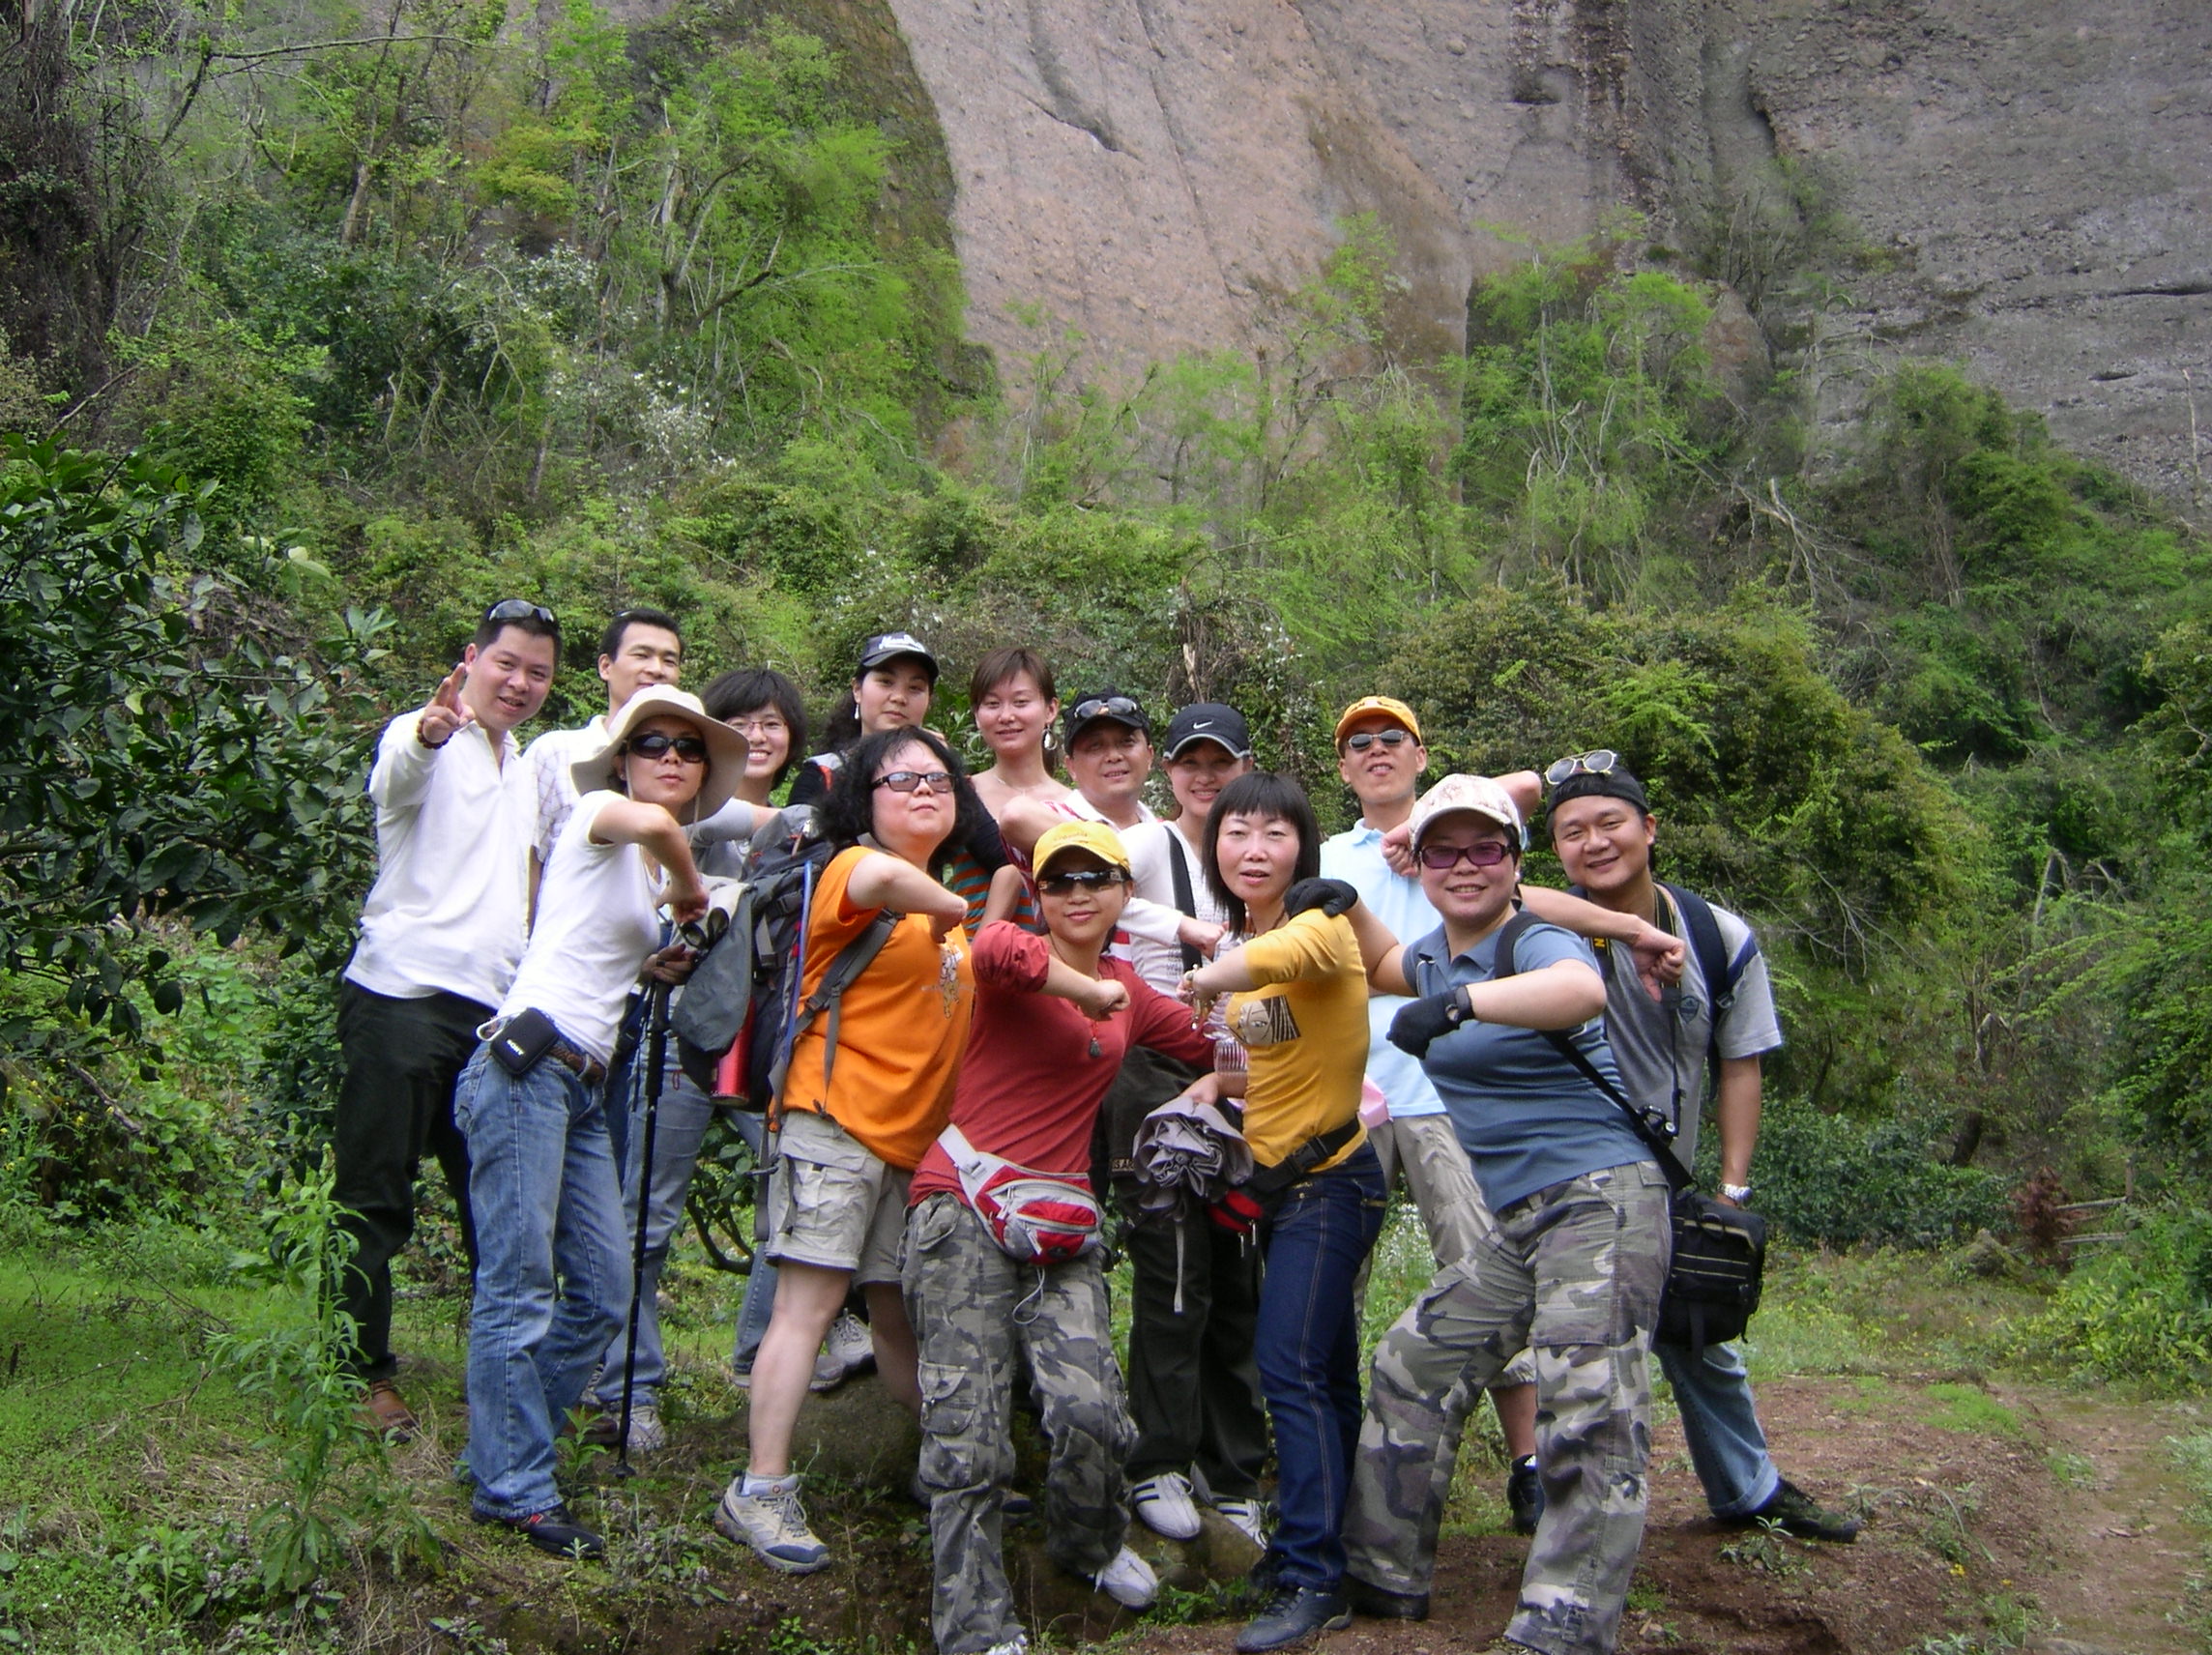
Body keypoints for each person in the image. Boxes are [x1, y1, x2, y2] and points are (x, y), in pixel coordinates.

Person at [1335, 774, 1671, 1655]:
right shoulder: (1436, 952)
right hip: (1521, 1218)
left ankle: (1565, 1621)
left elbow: (1578, 991)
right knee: (1413, 1361)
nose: (1465, 865)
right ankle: (1383, 1575)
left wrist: (1464, 1003)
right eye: (1443, 850)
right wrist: (1341, 905)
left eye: (1486, 847)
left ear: (1515, 863)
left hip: (1602, 1201)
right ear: (1424, 865)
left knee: (1587, 1405)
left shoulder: (1534, 937)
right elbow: (1380, 967)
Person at [905, 821, 1221, 1652]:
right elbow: (996, 954)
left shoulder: (1134, 988)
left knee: (1091, 1413)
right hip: (961, 1204)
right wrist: (1087, 995)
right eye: (1061, 881)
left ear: (1125, 892)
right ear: (1042, 894)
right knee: (968, 1435)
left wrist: (1227, 1062)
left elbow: (1209, 1047)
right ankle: (974, 1626)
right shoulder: (1014, 952)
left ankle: (1086, 1544)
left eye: (1096, 879)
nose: (1078, 893)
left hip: (1063, 1220)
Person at [1539, 754, 1858, 1544]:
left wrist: (1732, 1188)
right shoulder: (1545, 934)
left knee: (1696, 1332)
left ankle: (1747, 1489)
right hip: (1569, 1171)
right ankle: (1563, 1500)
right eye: (1572, 832)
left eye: (1611, 823)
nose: (1595, 843)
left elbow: (1738, 1062)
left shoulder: (1717, 937)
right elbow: (1506, 892)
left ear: (1650, 829)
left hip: (1668, 1173)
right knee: (1566, 1341)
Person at [456, 684, 741, 1557]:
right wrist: (693, 894)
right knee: (519, 1286)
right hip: (526, 1070)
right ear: (620, 758)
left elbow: (603, 943)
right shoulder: (602, 815)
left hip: (583, 1085)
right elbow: (659, 831)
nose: (670, 758)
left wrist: (654, 954)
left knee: (606, 1293)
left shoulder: (639, 867)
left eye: (687, 751)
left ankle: (507, 1451)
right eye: (651, 742)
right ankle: (514, 1488)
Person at [715, 725, 980, 1575]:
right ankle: (758, 1488)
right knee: (809, 1305)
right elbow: (878, 875)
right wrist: (953, 901)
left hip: (910, 1149)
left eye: (939, 779)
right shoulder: (848, 874)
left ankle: (949, 1471)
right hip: (833, 1122)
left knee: (900, 1316)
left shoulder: (945, 907)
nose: (924, 791)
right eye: (900, 780)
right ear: (863, 798)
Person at [1319, 696, 1549, 1527]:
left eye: (1392, 740)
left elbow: (1529, 787)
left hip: (1450, 1090)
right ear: (1342, 769)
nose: (1376, 752)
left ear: (1421, 755)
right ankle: (1330, 1459)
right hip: (1355, 1092)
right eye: (1358, 745)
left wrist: (1431, 835)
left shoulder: (1458, 831)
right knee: (1335, 1279)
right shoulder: (1330, 852)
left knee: (1486, 1271)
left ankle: (1529, 1463)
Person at [334, 598, 561, 1440]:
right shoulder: (420, 736)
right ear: (472, 660)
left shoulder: (529, 769)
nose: (519, 682)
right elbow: (401, 771)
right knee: (375, 1194)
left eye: (537, 672)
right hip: (400, 997)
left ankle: (497, 1382)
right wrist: (431, 731)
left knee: (494, 1208)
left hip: (493, 1020)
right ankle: (358, 1374)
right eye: (506, 664)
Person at [1176, 774, 1386, 1655]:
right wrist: (1213, 1081)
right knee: (1326, 1374)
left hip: (1331, 1184)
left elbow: (1262, 970)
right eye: (1235, 834)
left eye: (1273, 834)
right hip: (1287, 1187)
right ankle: (1334, 1547)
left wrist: (1201, 977)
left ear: (1304, 848)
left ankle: (1310, 1573)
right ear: (1213, 847)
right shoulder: (1249, 931)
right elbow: (1279, 1060)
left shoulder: (1316, 927)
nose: (1252, 849)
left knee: (1289, 1367)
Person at [585, 667, 809, 1450]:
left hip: (768, 1047)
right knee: (646, 1212)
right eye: (739, 722)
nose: (758, 735)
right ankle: (626, 1384)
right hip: (679, 1034)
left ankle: (758, 1355)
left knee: (793, 1202)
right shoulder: (691, 819)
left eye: (774, 722)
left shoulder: (798, 832)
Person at [1106, 704, 1269, 1548]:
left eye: (1221, 763)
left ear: (1245, 764)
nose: (1205, 778)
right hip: (1155, 1069)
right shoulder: (1143, 846)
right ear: (1166, 771)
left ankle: (1233, 1464)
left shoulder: (1254, 852)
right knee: (1174, 1266)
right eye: (1189, 764)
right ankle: (1158, 1457)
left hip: (1244, 1069)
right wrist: (1187, 928)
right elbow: (1086, 893)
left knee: (1240, 1266)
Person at [790, 631, 1014, 930]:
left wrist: (984, 944)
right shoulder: (824, 774)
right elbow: (796, 868)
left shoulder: (940, 779)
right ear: (857, 690)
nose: (899, 697)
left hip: (928, 939)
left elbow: (1003, 860)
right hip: (840, 941)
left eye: (915, 687)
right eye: (885, 682)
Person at [522, 608, 685, 906]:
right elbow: (525, 860)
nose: (657, 669)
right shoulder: (557, 753)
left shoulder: (679, 765)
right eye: (642, 655)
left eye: (669, 660)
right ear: (606, 667)